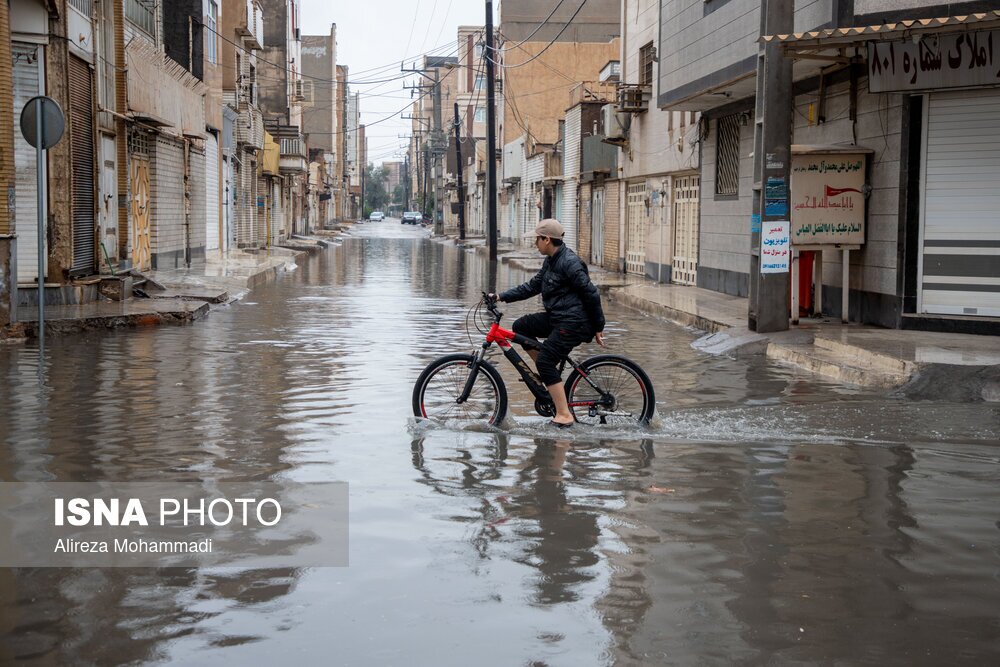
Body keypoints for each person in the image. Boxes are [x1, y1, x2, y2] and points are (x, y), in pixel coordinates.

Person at [491, 219, 605, 428]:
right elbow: (532, 286)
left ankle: (564, 415)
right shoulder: (551, 260)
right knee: (521, 327)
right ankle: (547, 371)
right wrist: (500, 296)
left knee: (544, 361)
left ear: (547, 240)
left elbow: (592, 294)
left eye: (537, 239)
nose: (535, 243)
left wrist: (599, 326)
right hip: (558, 317)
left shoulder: (569, 263)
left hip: (574, 322)